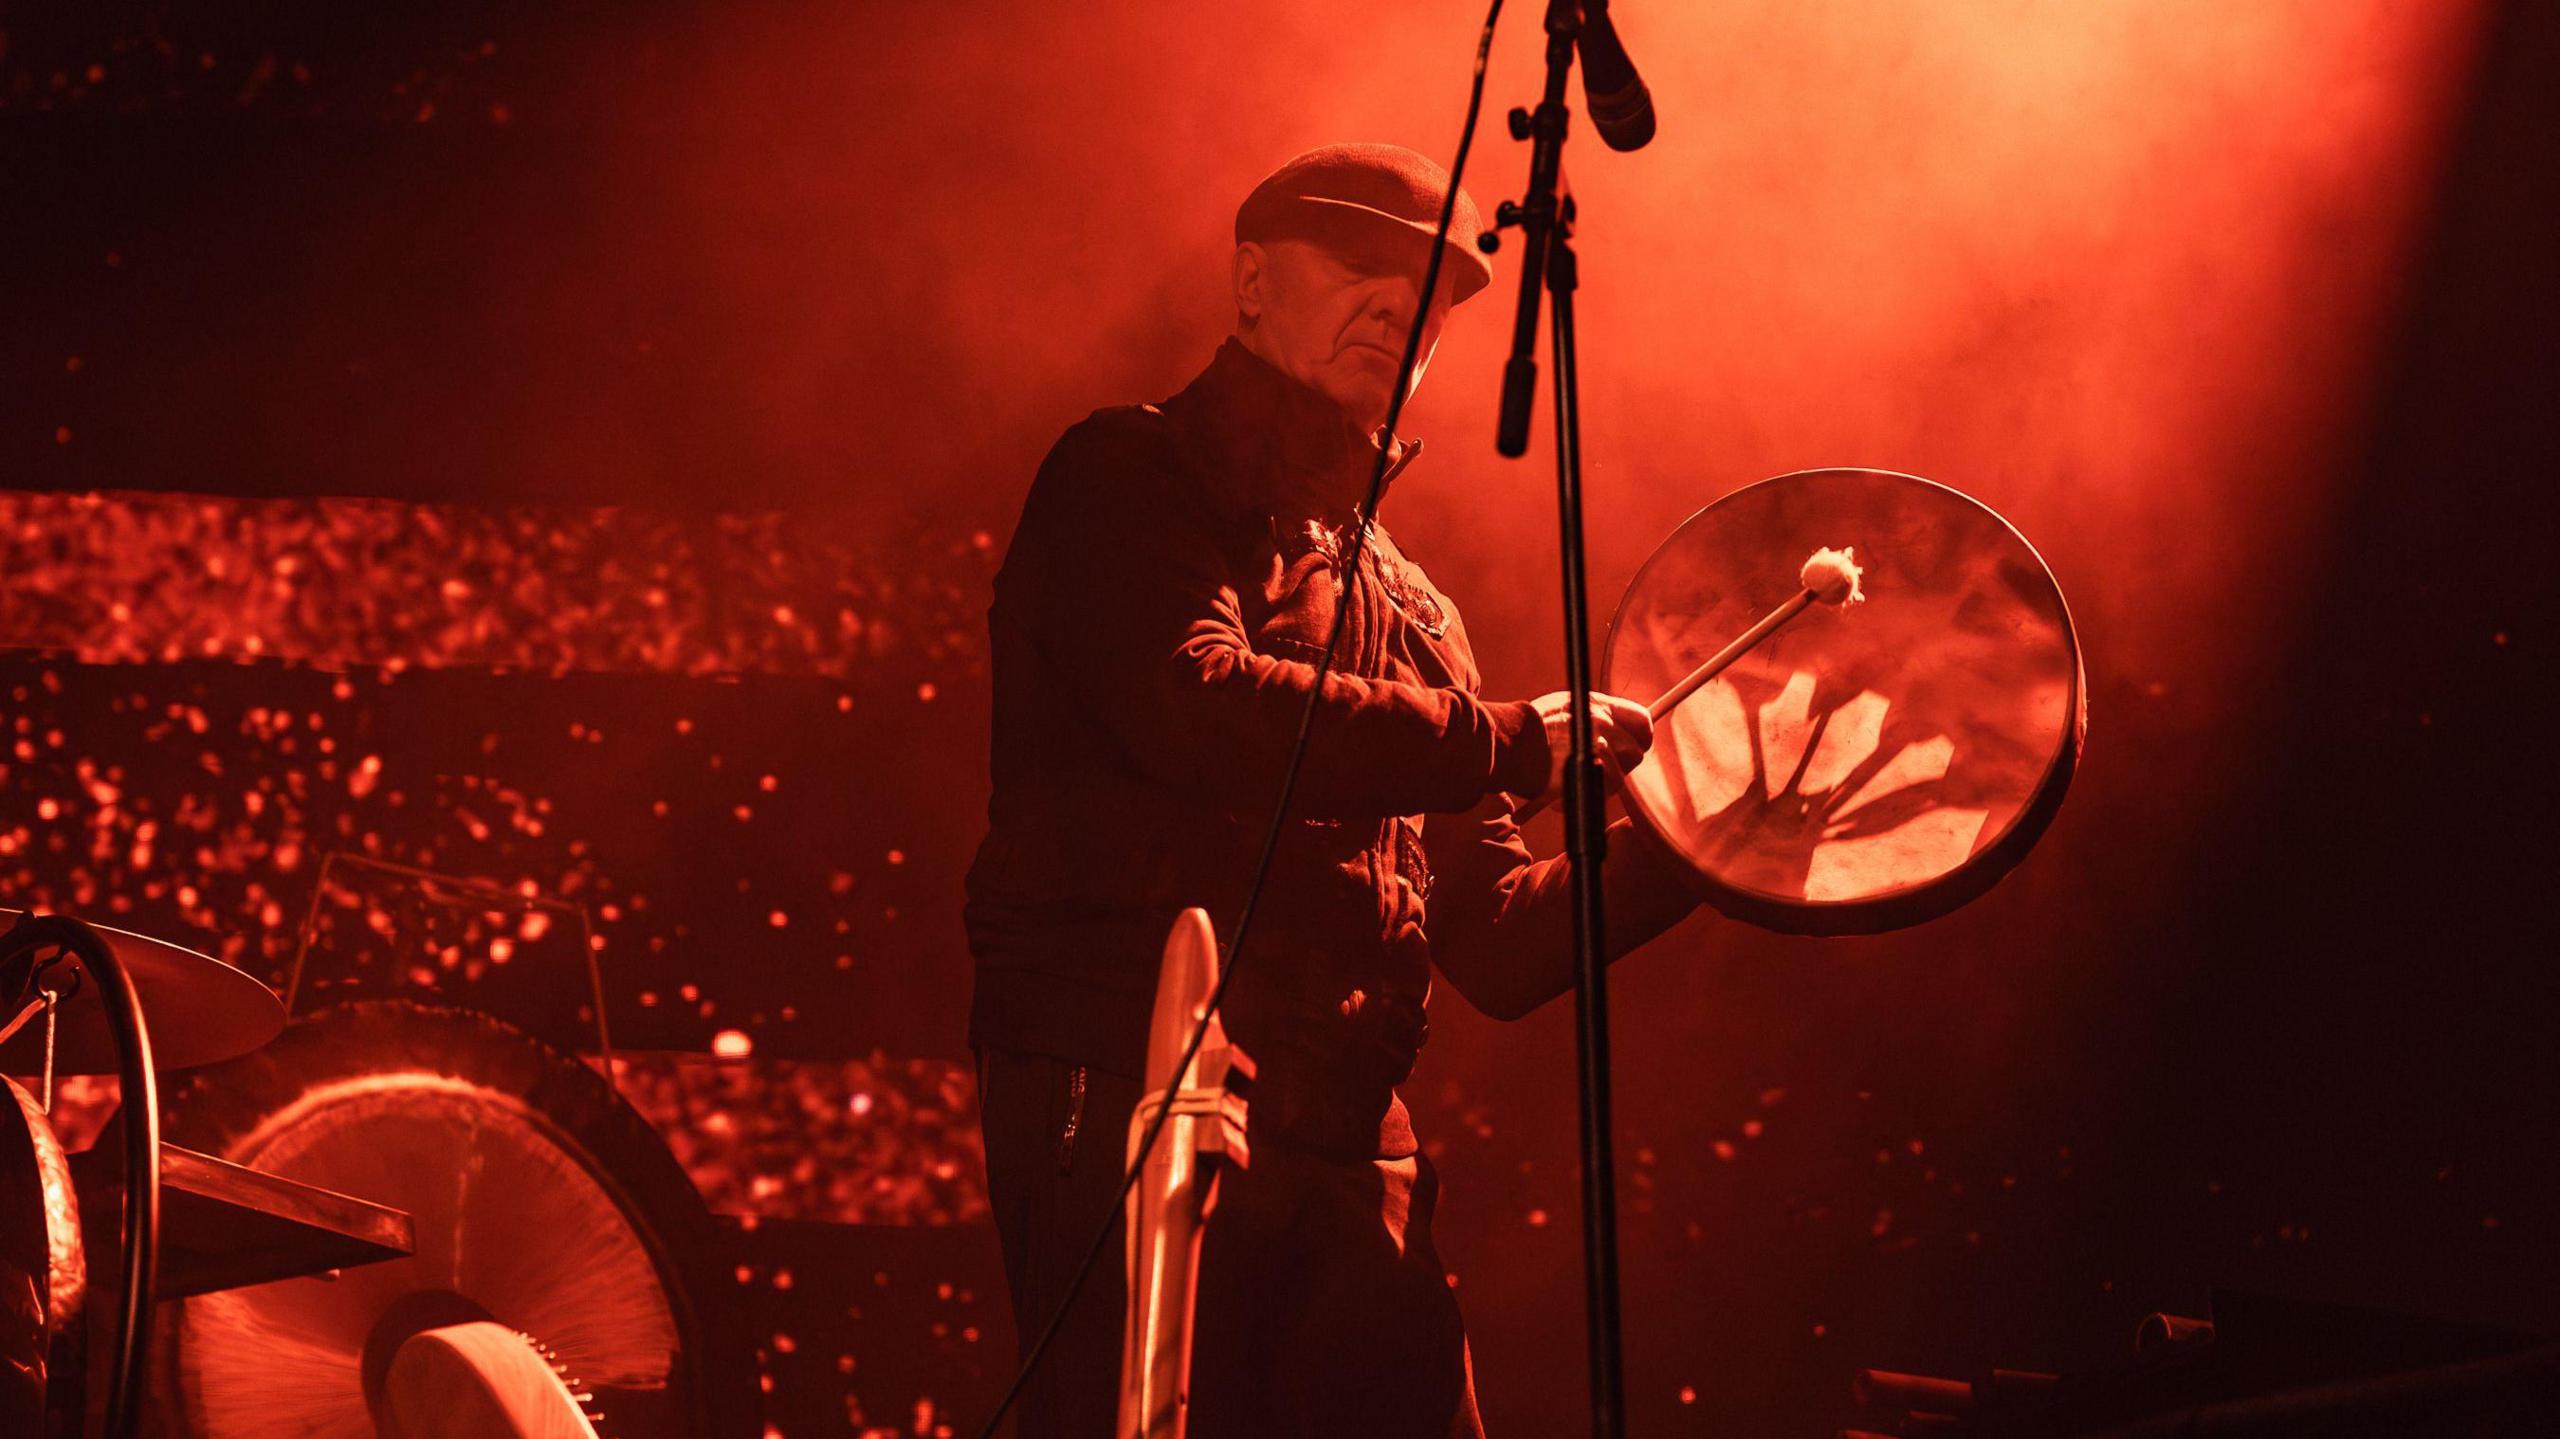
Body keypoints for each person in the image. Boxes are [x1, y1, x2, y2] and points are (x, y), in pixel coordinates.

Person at [964, 142, 1706, 1437]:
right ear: (1250, 280)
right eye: (1361, 264)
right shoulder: (1128, 475)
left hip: (1356, 1137)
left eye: (1432, 295)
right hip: (1141, 1080)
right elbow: (1193, 701)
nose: (1396, 307)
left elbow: (1499, 941)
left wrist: (1705, 843)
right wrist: (1509, 739)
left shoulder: (1418, 607)